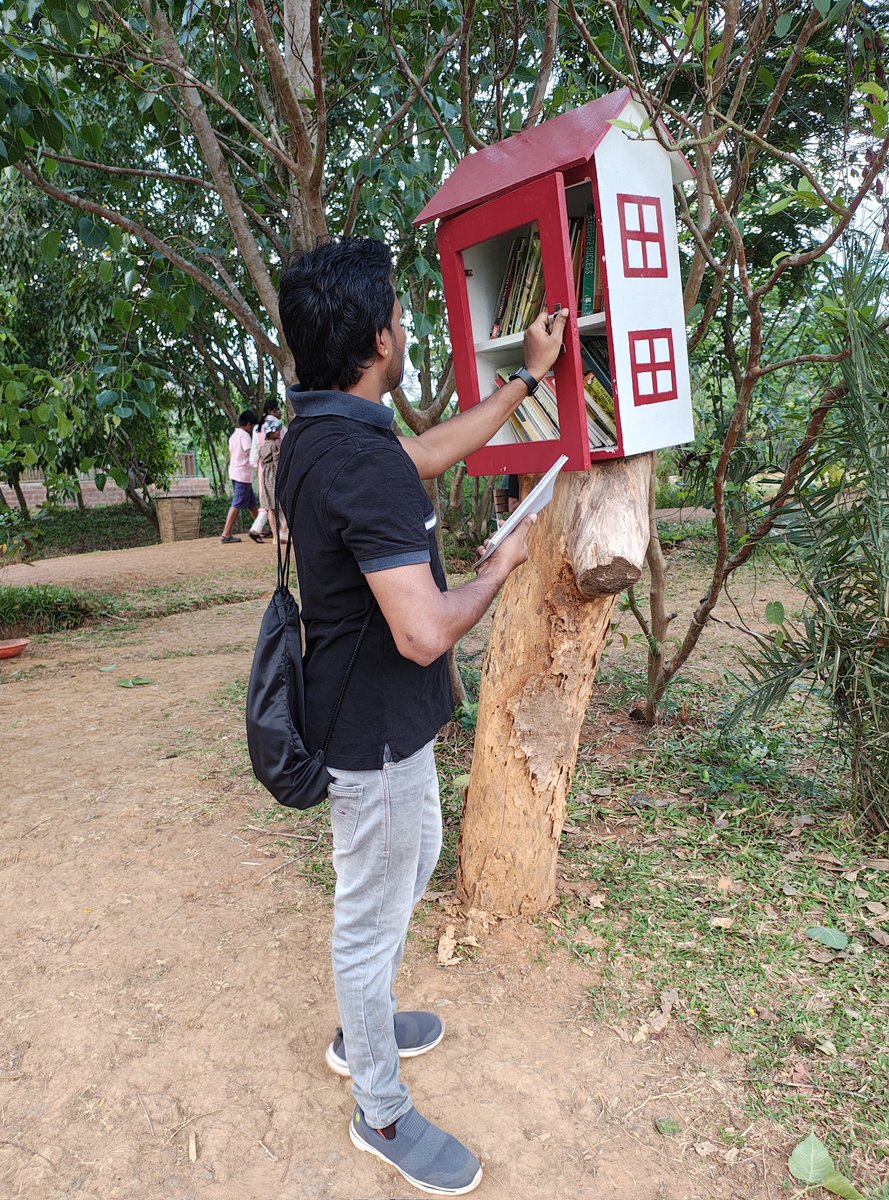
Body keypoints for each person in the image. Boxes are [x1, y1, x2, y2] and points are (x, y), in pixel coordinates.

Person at [275, 237, 568, 1197]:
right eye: (397, 318)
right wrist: (499, 567)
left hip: (370, 725)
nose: (404, 330)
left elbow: (428, 453)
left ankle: (365, 1022)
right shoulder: (357, 462)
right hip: (372, 737)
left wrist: (526, 383)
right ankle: (381, 1108)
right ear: (375, 339)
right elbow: (423, 631)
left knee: (417, 852)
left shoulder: (322, 433)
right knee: (366, 922)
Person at [249, 398, 286, 538]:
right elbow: (286, 444)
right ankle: (281, 531)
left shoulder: (259, 426)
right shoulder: (276, 425)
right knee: (278, 499)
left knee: (267, 500)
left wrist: (254, 464)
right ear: (272, 410)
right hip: (277, 468)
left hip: (262, 468)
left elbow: (255, 448)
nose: (280, 412)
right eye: (278, 409)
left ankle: (258, 529)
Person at [220, 410, 259, 543]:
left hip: (236, 472)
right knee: (237, 504)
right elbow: (250, 452)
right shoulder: (245, 436)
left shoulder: (234, 435)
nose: (253, 429)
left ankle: (260, 528)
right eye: (253, 426)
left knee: (252, 504)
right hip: (243, 474)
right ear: (248, 424)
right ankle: (226, 534)